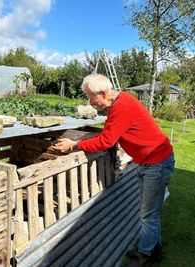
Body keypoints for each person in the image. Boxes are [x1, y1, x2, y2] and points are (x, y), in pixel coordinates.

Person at [51, 73, 175, 267]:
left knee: (147, 214)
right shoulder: (118, 104)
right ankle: (152, 246)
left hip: (156, 163)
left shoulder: (122, 106)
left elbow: (106, 141)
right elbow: (109, 133)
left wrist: (74, 146)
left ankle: (146, 255)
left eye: (91, 96)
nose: (90, 102)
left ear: (103, 92)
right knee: (150, 212)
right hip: (150, 161)